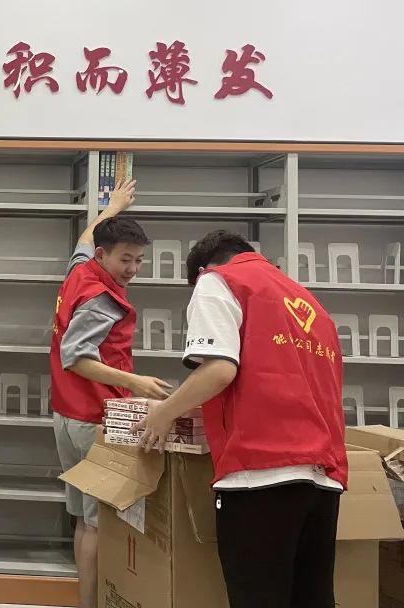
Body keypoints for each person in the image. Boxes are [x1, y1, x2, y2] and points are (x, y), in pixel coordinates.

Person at [135, 230, 347, 608]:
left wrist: (164, 413)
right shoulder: (307, 301)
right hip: (323, 478)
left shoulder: (218, 280)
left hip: (259, 474)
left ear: (201, 270)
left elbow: (219, 370)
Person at [49, 179, 170, 608]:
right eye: (125, 259)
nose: (133, 268)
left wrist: (112, 207)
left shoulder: (81, 270)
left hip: (67, 413)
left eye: (139, 259)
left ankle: (89, 600)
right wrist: (137, 384)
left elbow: (85, 238)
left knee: (85, 520)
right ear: (104, 256)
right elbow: (75, 356)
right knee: (98, 523)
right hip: (92, 419)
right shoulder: (101, 298)